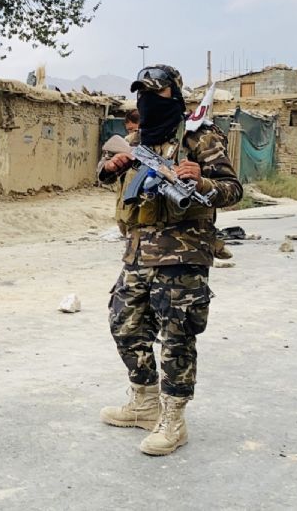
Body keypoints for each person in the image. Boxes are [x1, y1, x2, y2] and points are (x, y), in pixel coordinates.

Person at [96, 65, 243, 456]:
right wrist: (109, 168)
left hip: (183, 253)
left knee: (178, 336)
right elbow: (104, 174)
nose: (146, 101)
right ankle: (144, 403)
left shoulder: (201, 136)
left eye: (155, 94)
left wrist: (203, 180)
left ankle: (174, 419)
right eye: (141, 94)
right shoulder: (137, 138)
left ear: (174, 96)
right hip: (139, 250)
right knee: (124, 324)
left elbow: (232, 189)